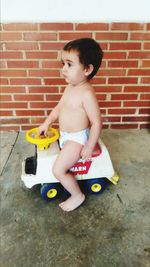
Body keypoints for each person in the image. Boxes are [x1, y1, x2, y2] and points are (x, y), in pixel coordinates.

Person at [38, 38, 103, 212]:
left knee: (58, 170)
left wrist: (89, 146)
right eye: (63, 63)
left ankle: (77, 195)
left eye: (69, 64)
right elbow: (60, 107)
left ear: (87, 69)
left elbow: (97, 122)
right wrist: (47, 122)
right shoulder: (70, 87)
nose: (63, 69)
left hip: (77, 139)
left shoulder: (87, 94)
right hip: (65, 135)